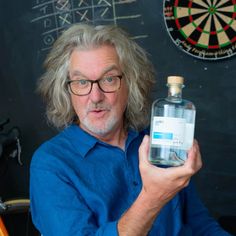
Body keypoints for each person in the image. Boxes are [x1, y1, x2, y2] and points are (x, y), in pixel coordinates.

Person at [30, 23, 230, 236]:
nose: (95, 97)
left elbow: (201, 225)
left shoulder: (160, 144)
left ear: (130, 85)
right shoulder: (51, 164)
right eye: (81, 82)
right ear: (66, 91)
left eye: (109, 79)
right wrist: (153, 197)